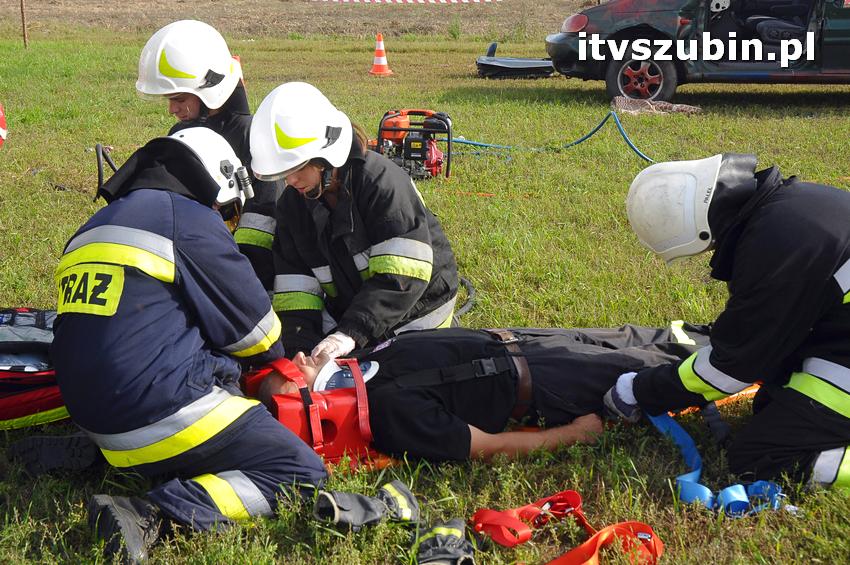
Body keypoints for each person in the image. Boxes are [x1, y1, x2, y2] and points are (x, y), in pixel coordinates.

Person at [49, 127, 327, 562]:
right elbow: (259, 336)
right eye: (230, 213)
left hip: (89, 414)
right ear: (217, 189)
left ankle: (99, 455)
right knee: (299, 471)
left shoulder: (96, 225)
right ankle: (153, 512)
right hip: (157, 411)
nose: (227, 224)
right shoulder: (190, 218)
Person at [604, 154, 850, 489]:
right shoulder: (790, 208)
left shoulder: (775, 247)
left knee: (759, 457)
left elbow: (732, 367)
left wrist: (639, 390)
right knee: (770, 407)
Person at [257, 322, 710, 462]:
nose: (298, 357)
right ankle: (735, 361)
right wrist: (573, 435)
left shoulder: (360, 368)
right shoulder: (389, 415)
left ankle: (713, 335)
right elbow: (486, 446)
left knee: (639, 336)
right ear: (314, 406)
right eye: (295, 374)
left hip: (524, 341)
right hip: (546, 383)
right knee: (659, 368)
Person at [249, 82, 459, 361]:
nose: (291, 180)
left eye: (298, 167)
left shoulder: (380, 183)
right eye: (284, 172)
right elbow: (296, 292)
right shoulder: (293, 206)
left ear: (325, 154)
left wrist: (350, 333)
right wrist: (298, 350)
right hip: (355, 309)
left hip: (417, 313)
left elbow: (402, 277)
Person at [136, 19, 282, 290]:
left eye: (179, 99)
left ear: (211, 87)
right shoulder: (180, 133)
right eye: (169, 99)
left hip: (245, 274)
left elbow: (260, 226)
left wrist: (235, 280)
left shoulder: (253, 138)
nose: (171, 109)